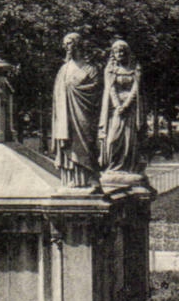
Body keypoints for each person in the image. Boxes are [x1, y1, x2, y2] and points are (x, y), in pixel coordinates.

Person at [51, 33, 100, 188]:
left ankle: (88, 178)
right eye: (65, 44)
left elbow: (96, 90)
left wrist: (74, 88)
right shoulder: (63, 69)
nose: (67, 46)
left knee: (85, 144)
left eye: (70, 43)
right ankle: (71, 178)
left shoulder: (91, 69)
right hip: (66, 116)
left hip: (83, 115)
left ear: (78, 44)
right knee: (69, 144)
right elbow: (57, 95)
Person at [99, 39, 144, 180]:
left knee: (129, 139)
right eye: (117, 51)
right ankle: (113, 166)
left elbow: (136, 89)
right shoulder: (110, 69)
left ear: (127, 53)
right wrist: (118, 105)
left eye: (122, 51)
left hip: (130, 109)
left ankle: (128, 167)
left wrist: (126, 105)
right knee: (113, 139)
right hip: (115, 110)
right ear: (113, 54)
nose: (120, 54)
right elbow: (110, 87)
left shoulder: (135, 68)